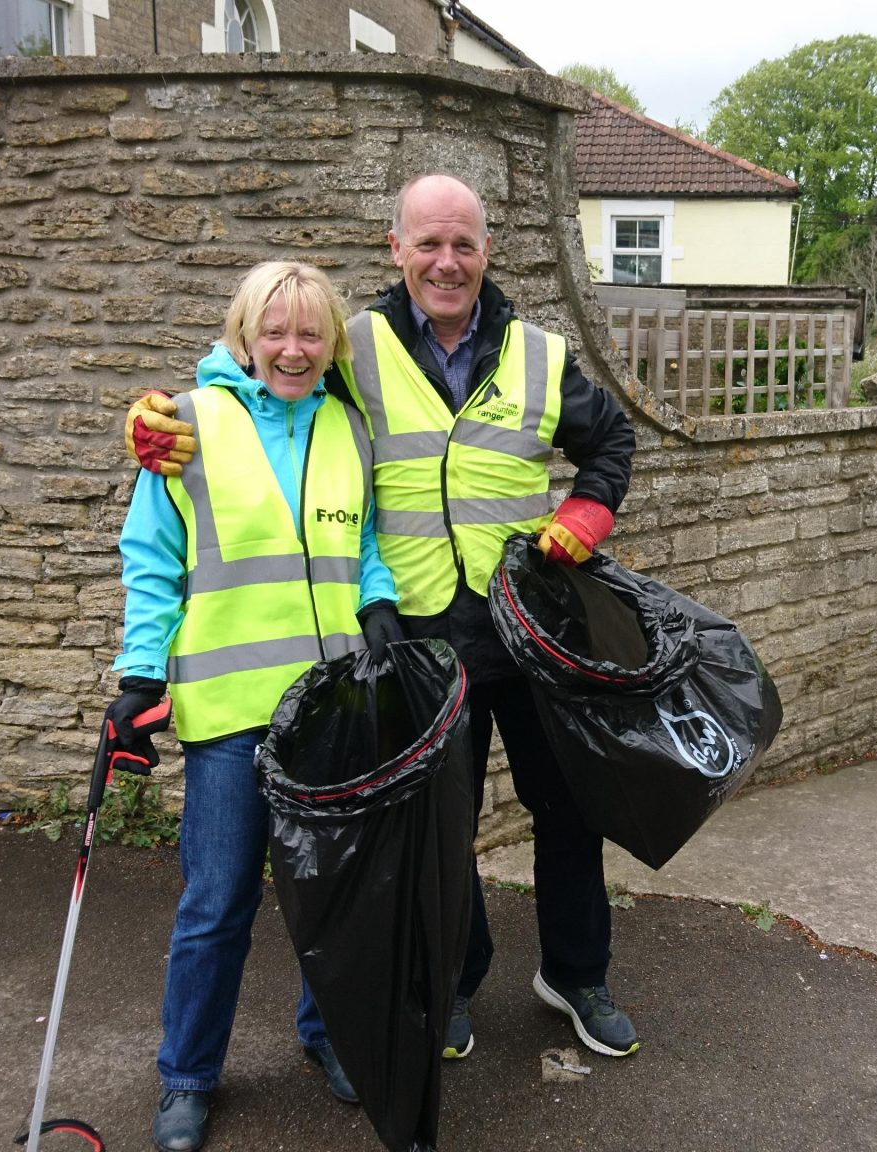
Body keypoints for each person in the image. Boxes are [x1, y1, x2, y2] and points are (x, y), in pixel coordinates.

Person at [124, 174, 641, 1063]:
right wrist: (173, 421)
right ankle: (451, 982)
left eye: (465, 245)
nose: (447, 262)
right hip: (420, 634)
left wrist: (586, 514)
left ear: (486, 252)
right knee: (441, 826)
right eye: (428, 243)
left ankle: (576, 973)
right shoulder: (351, 346)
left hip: (530, 625)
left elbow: (611, 443)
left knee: (568, 811)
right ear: (395, 248)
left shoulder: (538, 354)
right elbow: (263, 378)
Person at [106, 261, 405, 1152]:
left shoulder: (348, 427)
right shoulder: (186, 427)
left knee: (331, 898)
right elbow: (151, 559)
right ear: (243, 336)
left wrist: (379, 602)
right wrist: (139, 675)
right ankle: (188, 1077)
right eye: (274, 331)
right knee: (218, 903)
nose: (292, 348)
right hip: (232, 712)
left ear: (330, 345)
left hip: (330, 707)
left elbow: (366, 544)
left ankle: (330, 1038)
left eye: (311, 334)